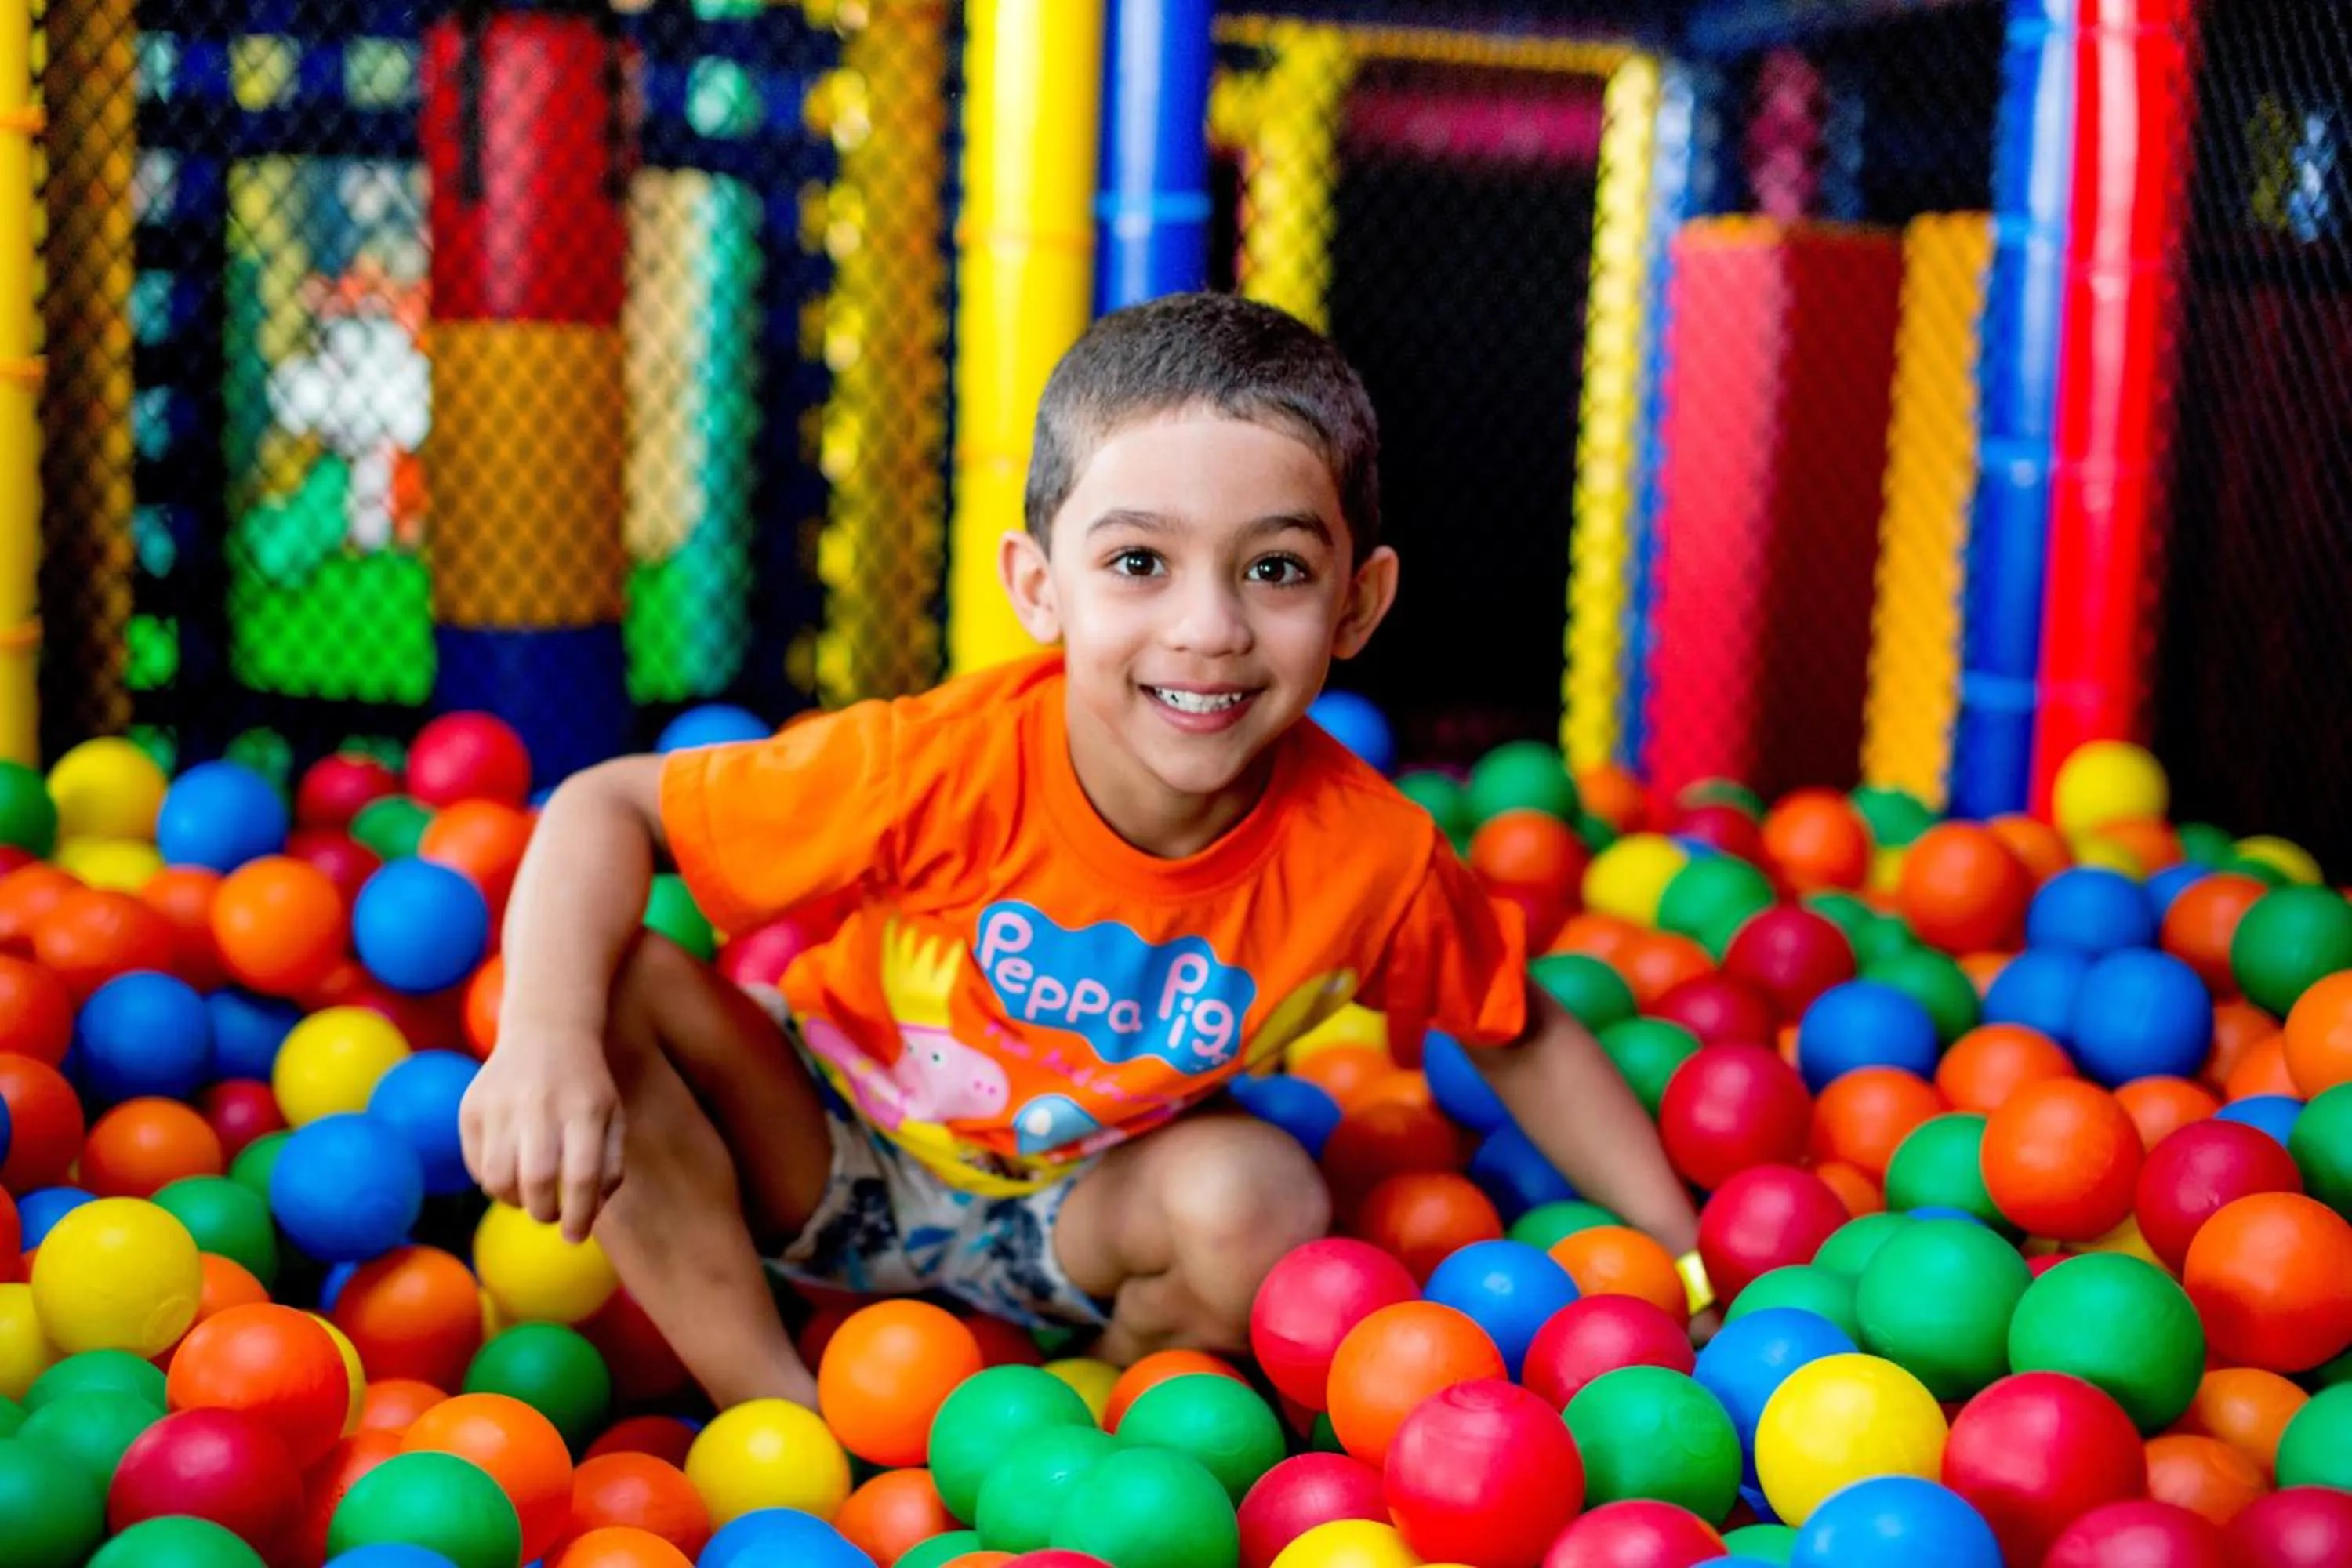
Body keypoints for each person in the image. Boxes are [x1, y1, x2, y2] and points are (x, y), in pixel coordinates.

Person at [459, 292, 1704, 1412]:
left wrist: (1681, 1259)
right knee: (606, 981)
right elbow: (604, 808)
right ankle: (778, 1417)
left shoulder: (1368, 857)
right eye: (1138, 564)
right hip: (821, 1146)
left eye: (1275, 569)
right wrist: (549, 1040)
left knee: (1262, 1196)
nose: (1207, 627)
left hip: (1078, 1221)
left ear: (1358, 605)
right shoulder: (939, 763)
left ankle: (1089, 1425)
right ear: (1041, 587)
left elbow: (1522, 1029)